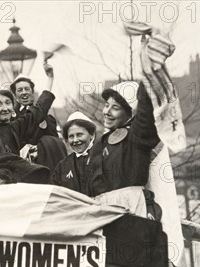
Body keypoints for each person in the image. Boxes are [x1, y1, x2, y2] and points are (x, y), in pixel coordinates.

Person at [88, 81, 162, 219]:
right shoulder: (99, 144)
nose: (107, 112)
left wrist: (147, 75)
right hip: (102, 216)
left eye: (115, 107)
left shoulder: (136, 137)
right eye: (106, 105)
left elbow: (145, 114)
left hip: (132, 210)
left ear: (130, 113)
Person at [52, 111, 97, 196]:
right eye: (71, 136)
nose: (75, 140)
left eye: (79, 135)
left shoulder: (103, 158)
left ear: (91, 135)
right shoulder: (62, 167)